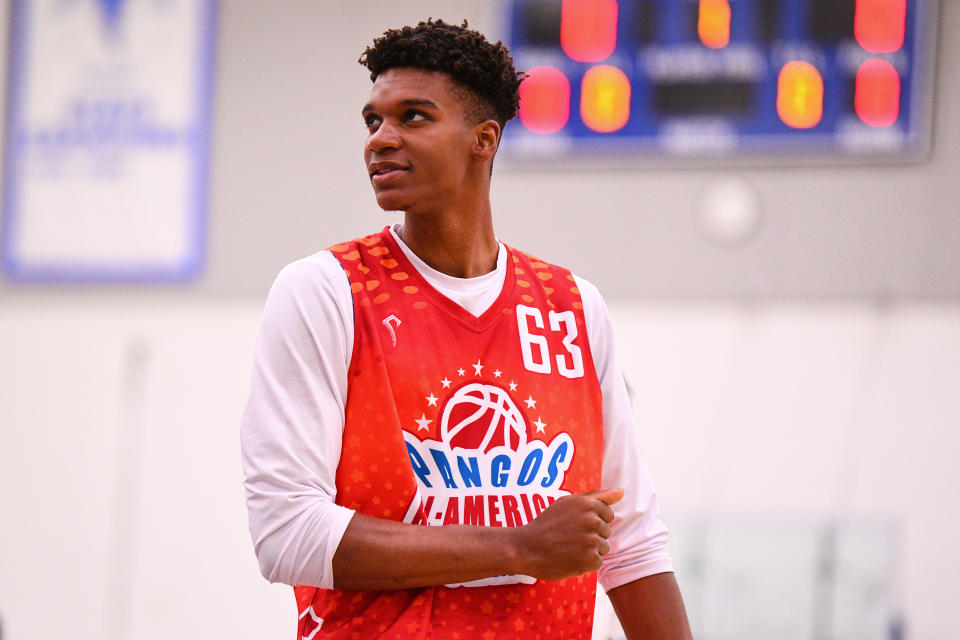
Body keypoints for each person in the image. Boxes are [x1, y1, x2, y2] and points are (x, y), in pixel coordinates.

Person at [241, 19, 692, 640]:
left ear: (484, 139)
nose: (381, 139)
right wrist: (515, 548)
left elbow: (633, 544)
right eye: (373, 121)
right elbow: (285, 533)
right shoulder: (326, 290)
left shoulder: (573, 308)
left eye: (414, 117)